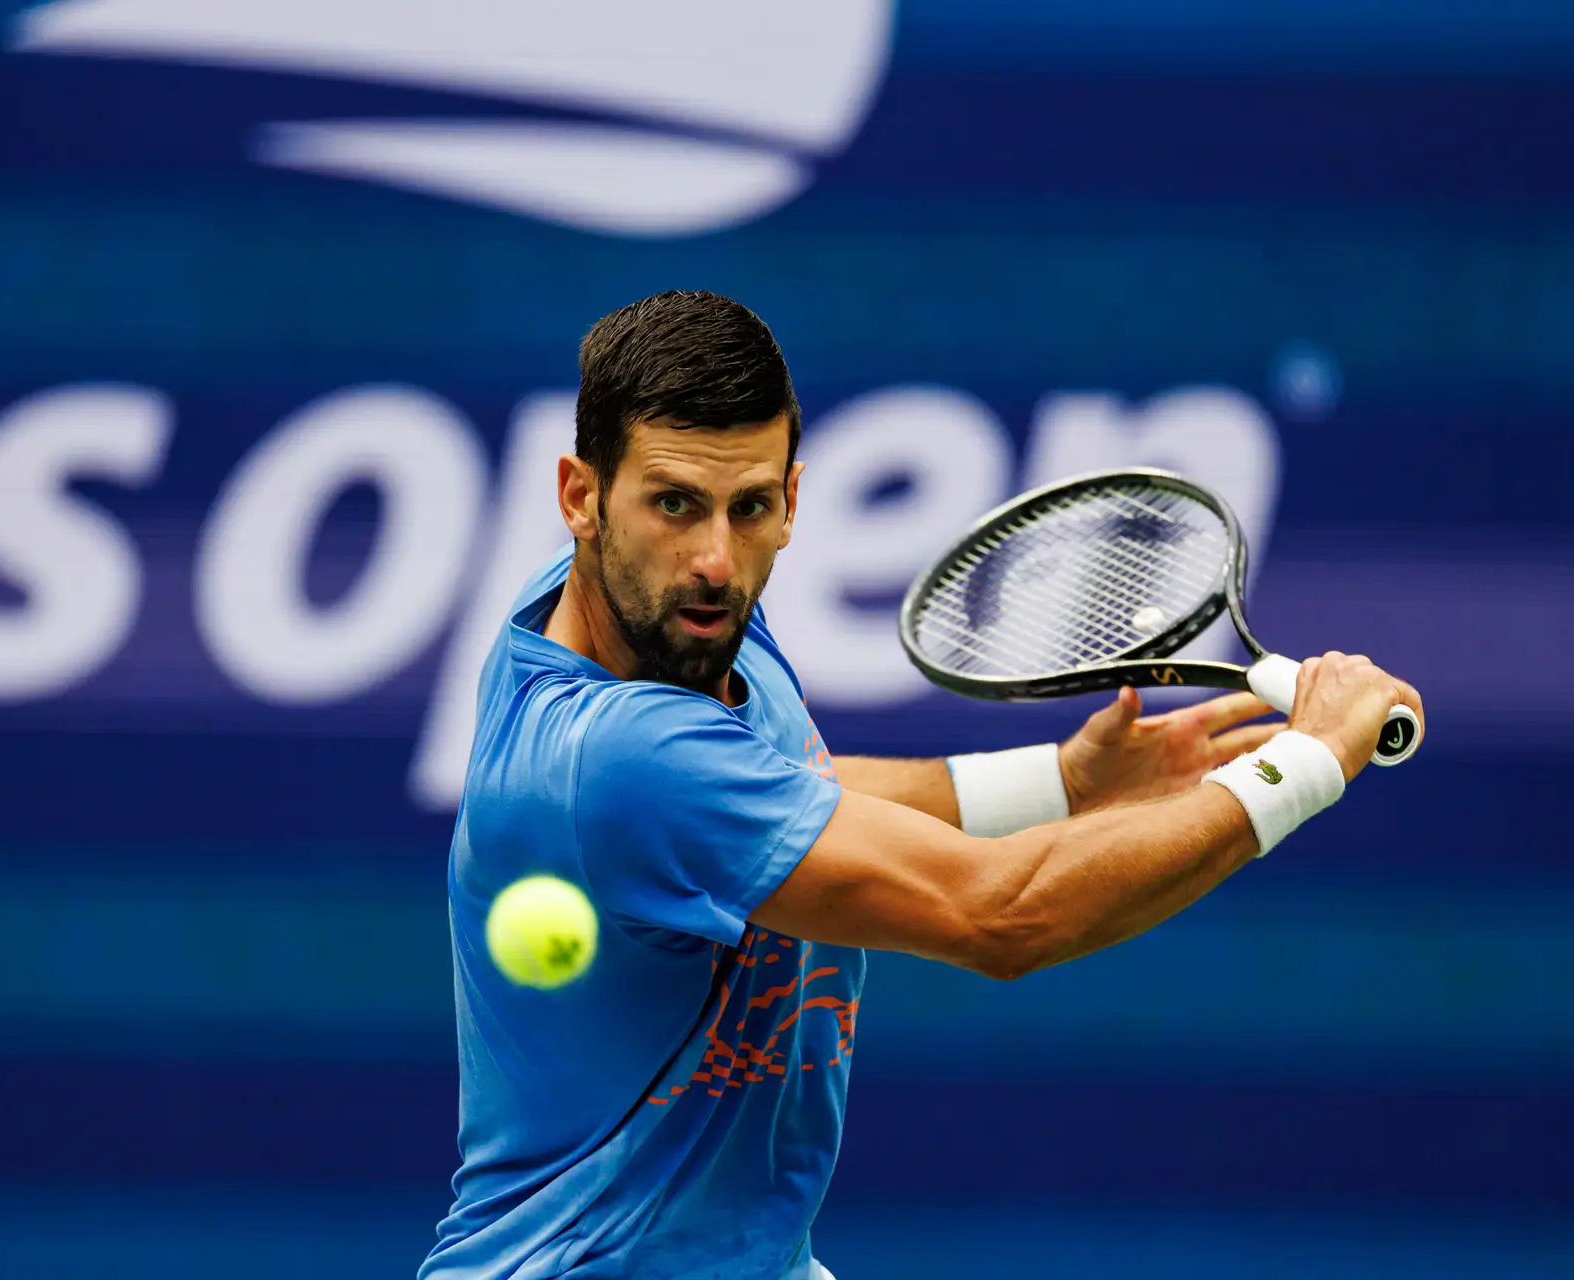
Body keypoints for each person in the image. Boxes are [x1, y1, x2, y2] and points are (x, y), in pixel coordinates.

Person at [419, 291, 1422, 1280]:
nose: (715, 559)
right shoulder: (621, 758)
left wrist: (1062, 780)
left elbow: (789, 797)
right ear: (580, 496)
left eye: (751, 505)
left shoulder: (637, 615)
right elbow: (1002, 912)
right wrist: (1304, 764)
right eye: (673, 503)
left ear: (792, 499)